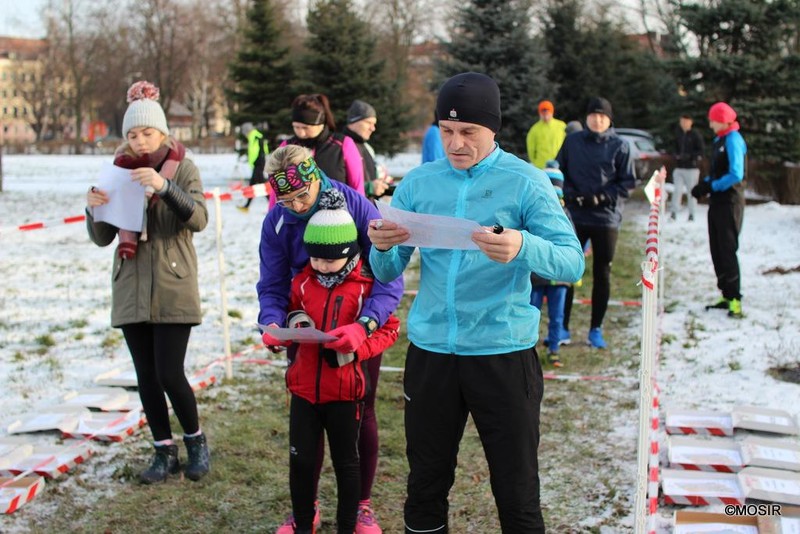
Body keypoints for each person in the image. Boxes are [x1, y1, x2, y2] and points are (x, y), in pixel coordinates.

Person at [367, 72, 584, 533]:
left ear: (493, 129)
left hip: (502, 354)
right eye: (446, 132)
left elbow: (570, 263)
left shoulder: (526, 182)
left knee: (516, 490)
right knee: (425, 485)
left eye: (468, 132)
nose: (456, 144)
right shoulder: (419, 183)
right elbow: (385, 271)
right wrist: (383, 247)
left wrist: (523, 246)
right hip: (432, 355)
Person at [257, 145, 404, 534]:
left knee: (360, 409)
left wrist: (366, 325)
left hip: (355, 321)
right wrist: (272, 323)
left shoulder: (356, 207)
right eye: (285, 200)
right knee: (309, 406)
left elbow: (390, 275)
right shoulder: (276, 222)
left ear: (315, 178)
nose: (296, 206)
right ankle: (307, 507)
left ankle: (360, 506)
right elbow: (272, 284)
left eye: (302, 196)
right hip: (304, 321)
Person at [85, 80, 210, 484]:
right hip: (131, 285)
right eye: (133, 134)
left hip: (173, 283)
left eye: (148, 132)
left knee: (170, 372)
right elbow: (103, 238)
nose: (140, 141)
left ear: (163, 132)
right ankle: (162, 451)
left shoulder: (183, 167)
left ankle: (195, 442)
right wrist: (94, 210)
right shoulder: (116, 173)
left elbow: (198, 220)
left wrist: (164, 187)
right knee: (146, 378)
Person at [557, 97, 636, 349]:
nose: (597, 119)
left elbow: (627, 183)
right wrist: (570, 195)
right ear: (586, 118)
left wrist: (602, 196)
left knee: (602, 273)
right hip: (575, 217)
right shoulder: (572, 141)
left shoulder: (620, 146)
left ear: (609, 119)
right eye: (593, 115)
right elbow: (560, 172)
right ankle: (562, 327)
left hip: (606, 218)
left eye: (602, 116)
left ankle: (595, 329)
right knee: (567, 271)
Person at [691, 101, 747, 318]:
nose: (710, 123)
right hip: (717, 203)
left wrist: (712, 186)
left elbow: (735, 174)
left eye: (712, 119)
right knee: (717, 249)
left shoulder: (733, 139)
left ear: (722, 120)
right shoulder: (719, 140)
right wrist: (704, 184)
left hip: (730, 203)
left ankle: (735, 300)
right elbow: (718, 170)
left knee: (727, 249)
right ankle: (725, 294)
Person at [270, 94, 364, 209]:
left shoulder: (343, 144)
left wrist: (358, 217)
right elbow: (275, 191)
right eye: (296, 127)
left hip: (337, 217)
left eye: (305, 128)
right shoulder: (287, 147)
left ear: (321, 123)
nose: (300, 132)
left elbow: (357, 187)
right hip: (297, 215)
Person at [530, 160, 575, 368]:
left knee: (557, 315)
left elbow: (573, 243)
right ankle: (528, 351)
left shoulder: (566, 216)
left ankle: (554, 350)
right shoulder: (533, 212)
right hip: (537, 275)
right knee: (532, 313)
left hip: (559, 277)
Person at [343, 100, 390, 199]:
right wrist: (369, 187)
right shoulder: (340, 147)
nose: (373, 128)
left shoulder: (367, 147)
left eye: (374, 124)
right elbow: (336, 185)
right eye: (369, 122)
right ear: (353, 121)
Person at [670, 114, 705, 221]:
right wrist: (676, 155)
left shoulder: (695, 135)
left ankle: (691, 213)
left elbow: (701, 151)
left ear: (690, 122)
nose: (683, 124)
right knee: (677, 190)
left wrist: (690, 157)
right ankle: (674, 212)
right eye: (682, 122)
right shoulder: (678, 134)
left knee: (692, 191)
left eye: (685, 121)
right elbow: (674, 148)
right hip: (679, 167)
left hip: (691, 168)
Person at [526, 100, 567, 169]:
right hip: (541, 167)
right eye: (543, 112)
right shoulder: (534, 129)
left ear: (552, 112)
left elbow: (567, 143)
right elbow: (531, 149)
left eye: (547, 112)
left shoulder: (561, 126)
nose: (545, 115)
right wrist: (536, 163)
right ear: (540, 113)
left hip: (559, 165)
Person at [238, 121, 269, 211]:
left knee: (261, 185)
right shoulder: (254, 136)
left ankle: (273, 205)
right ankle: (246, 206)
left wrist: (257, 161)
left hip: (258, 163)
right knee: (253, 185)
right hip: (257, 164)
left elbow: (259, 150)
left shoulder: (255, 136)